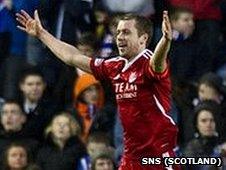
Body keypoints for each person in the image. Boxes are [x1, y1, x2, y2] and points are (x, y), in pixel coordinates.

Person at [16, 9, 179, 169]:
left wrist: (165, 41)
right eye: (119, 32)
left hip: (157, 155)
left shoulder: (149, 63)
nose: (120, 37)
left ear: (143, 38)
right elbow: (72, 57)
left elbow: (158, 62)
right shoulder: (115, 66)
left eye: (126, 32)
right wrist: (42, 34)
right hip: (131, 155)